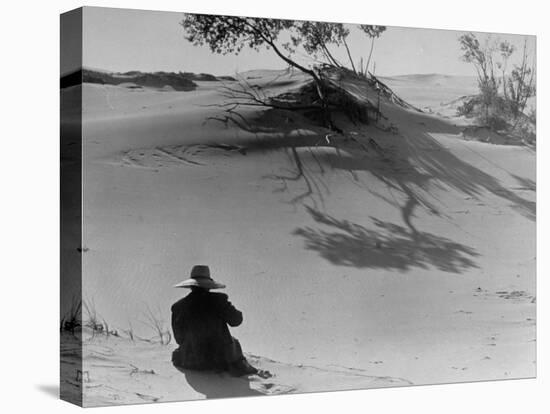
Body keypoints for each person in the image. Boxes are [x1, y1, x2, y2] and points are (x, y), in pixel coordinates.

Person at [171, 265, 270, 378]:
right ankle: (244, 368)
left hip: (190, 361)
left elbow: (179, 338)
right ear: (208, 286)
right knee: (235, 342)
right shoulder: (219, 301)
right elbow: (236, 320)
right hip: (219, 361)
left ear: (191, 286)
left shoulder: (178, 307)